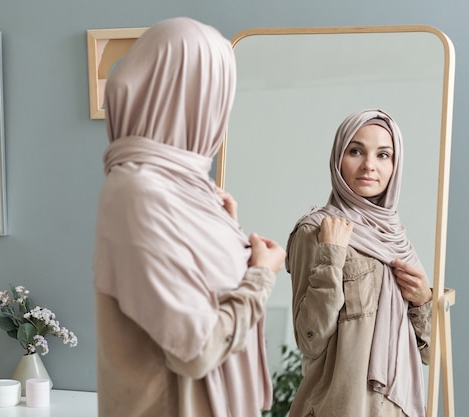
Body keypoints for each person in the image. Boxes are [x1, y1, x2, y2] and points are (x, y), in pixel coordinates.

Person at [92, 17, 286, 417]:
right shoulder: (138, 192)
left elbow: (198, 288)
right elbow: (196, 349)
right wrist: (261, 277)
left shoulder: (182, 188)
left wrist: (226, 231)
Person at [286, 109, 433, 417]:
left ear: (396, 165)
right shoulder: (315, 231)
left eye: (383, 155)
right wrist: (331, 256)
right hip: (338, 407)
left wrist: (423, 302)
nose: (369, 165)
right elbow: (309, 339)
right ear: (338, 157)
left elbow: (433, 355)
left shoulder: (398, 241)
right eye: (356, 151)